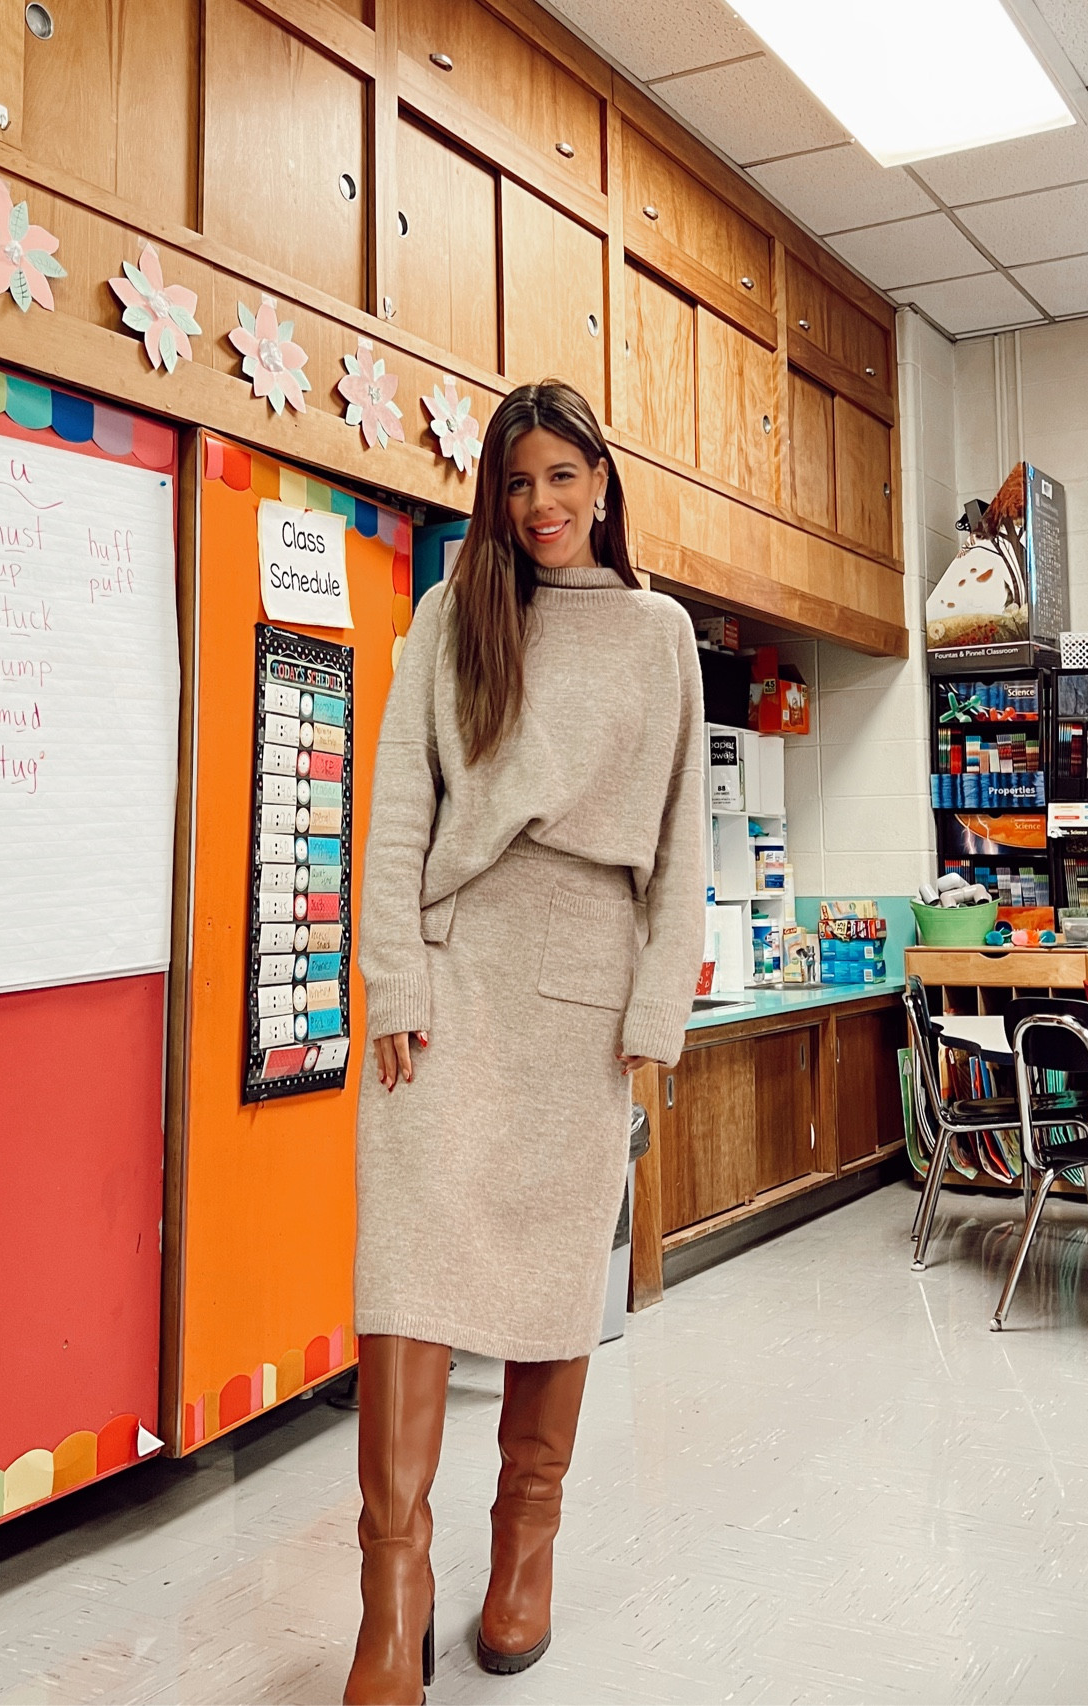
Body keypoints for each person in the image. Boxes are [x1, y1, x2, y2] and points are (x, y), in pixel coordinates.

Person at [344, 380, 705, 1704]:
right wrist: (392, 979)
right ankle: (393, 1588)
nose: (541, 503)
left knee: (556, 1273)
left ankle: (522, 1550)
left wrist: (654, 1013)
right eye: (516, 481)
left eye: (562, 475)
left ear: (601, 482)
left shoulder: (660, 634)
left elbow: (682, 841)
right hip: (449, 976)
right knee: (406, 1266)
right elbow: (396, 807)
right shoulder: (455, 613)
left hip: (583, 990)